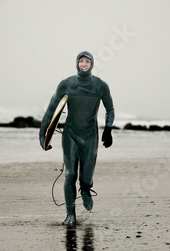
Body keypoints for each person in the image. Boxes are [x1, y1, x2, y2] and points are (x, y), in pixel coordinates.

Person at [39, 51, 115, 226]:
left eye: (87, 61)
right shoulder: (66, 84)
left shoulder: (100, 86)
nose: (84, 64)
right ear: (77, 63)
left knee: (85, 177)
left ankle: (86, 188)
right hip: (70, 134)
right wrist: (42, 134)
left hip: (90, 136)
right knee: (70, 174)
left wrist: (108, 128)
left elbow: (110, 109)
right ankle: (70, 215)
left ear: (92, 64)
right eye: (81, 61)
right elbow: (51, 109)